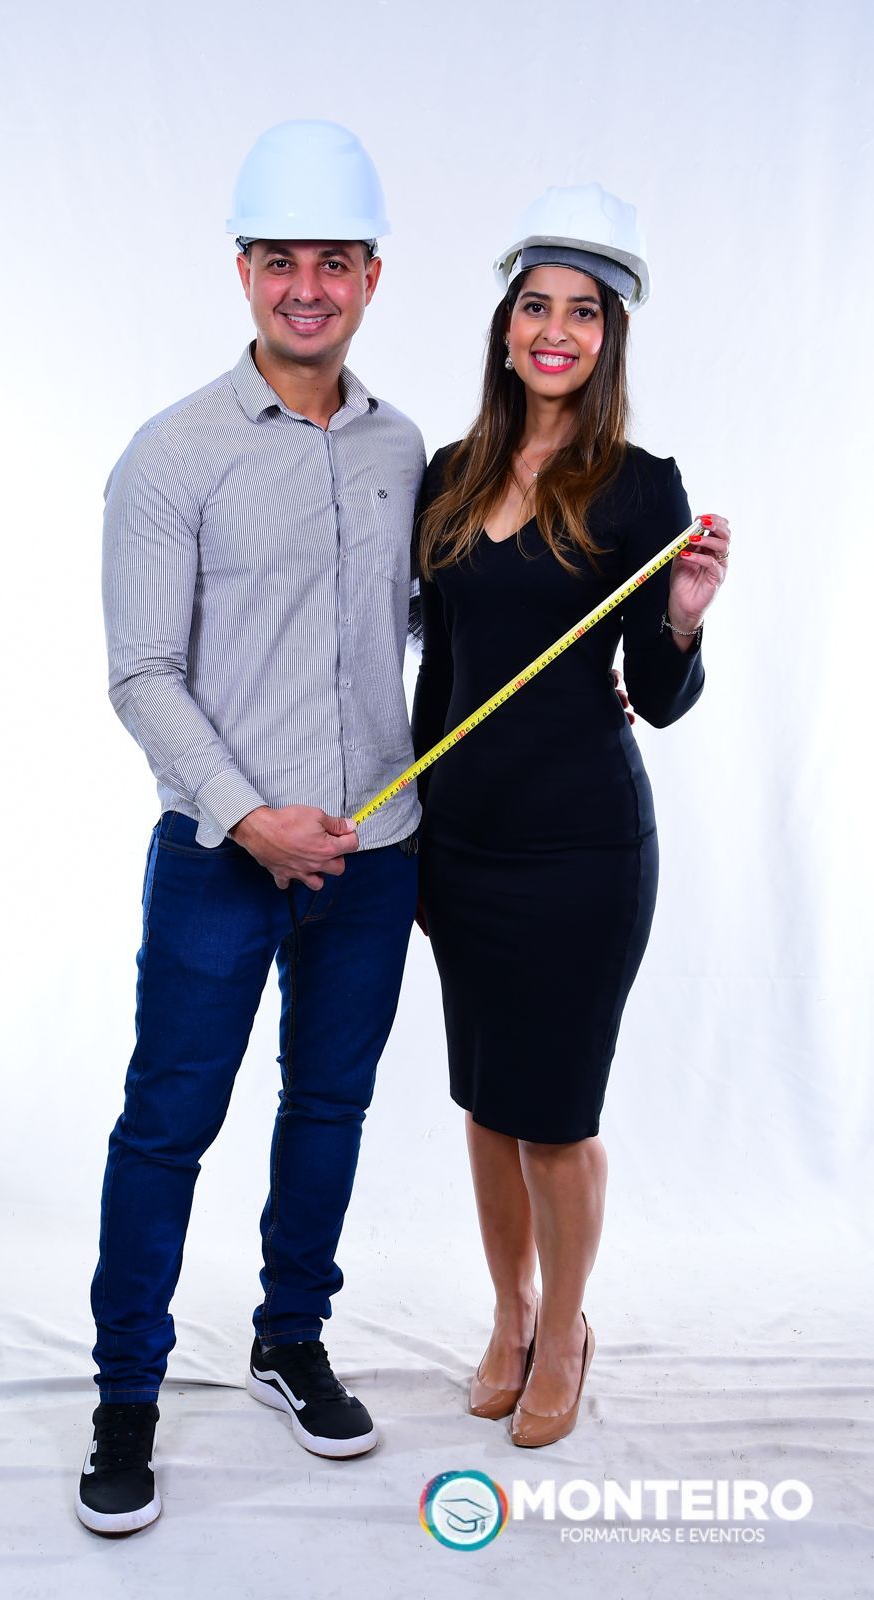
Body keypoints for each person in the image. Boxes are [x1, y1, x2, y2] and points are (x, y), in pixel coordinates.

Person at [77, 121, 425, 1535]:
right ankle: (125, 1396)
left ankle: (291, 1339)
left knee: (328, 1108)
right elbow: (139, 673)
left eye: (333, 262)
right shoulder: (171, 454)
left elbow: (416, 624)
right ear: (242, 273)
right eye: (280, 261)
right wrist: (247, 820)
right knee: (166, 1126)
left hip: (375, 856)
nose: (306, 288)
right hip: (218, 863)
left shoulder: (403, 448)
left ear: (370, 277)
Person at [411, 184, 731, 1448]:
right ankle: (508, 1313)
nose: (556, 330)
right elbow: (435, 674)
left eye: (582, 312)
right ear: (504, 331)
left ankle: (565, 1329)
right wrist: (411, 830)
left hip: (579, 854)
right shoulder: (447, 476)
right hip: (458, 848)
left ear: (608, 338)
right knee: (484, 1105)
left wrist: (682, 620)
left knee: (553, 1115)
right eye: (535, 306)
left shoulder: (640, 490)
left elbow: (654, 693)